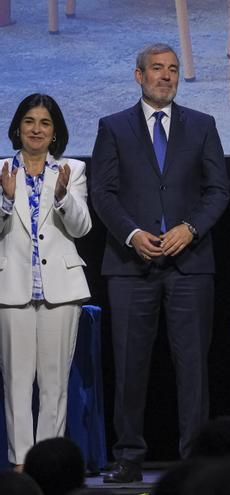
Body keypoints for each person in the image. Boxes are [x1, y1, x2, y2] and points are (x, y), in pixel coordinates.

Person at [90, 42, 230, 483]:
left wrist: (190, 228)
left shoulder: (203, 125)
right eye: (157, 69)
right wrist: (132, 234)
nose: (166, 76)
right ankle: (128, 457)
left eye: (172, 69)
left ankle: (194, 461)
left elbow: (218, 191)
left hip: (190, 264)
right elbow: (103, 192)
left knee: (193, 367)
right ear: (139, 76)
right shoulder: (112, 127)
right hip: (131, 267)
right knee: (130, 365)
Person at [0, 94, 91, 470]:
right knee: (17, 383)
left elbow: (82, 227)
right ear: (18, 128)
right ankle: (21, 463)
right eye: (30, 122)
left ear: (55, 133)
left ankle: (49, 466)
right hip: (12, 288)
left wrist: (62, 197)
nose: (36, 129)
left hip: (61, 289)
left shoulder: (73, 170)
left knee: (55, 384)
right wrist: (6, 201)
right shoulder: (2, 169)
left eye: (45, 123)